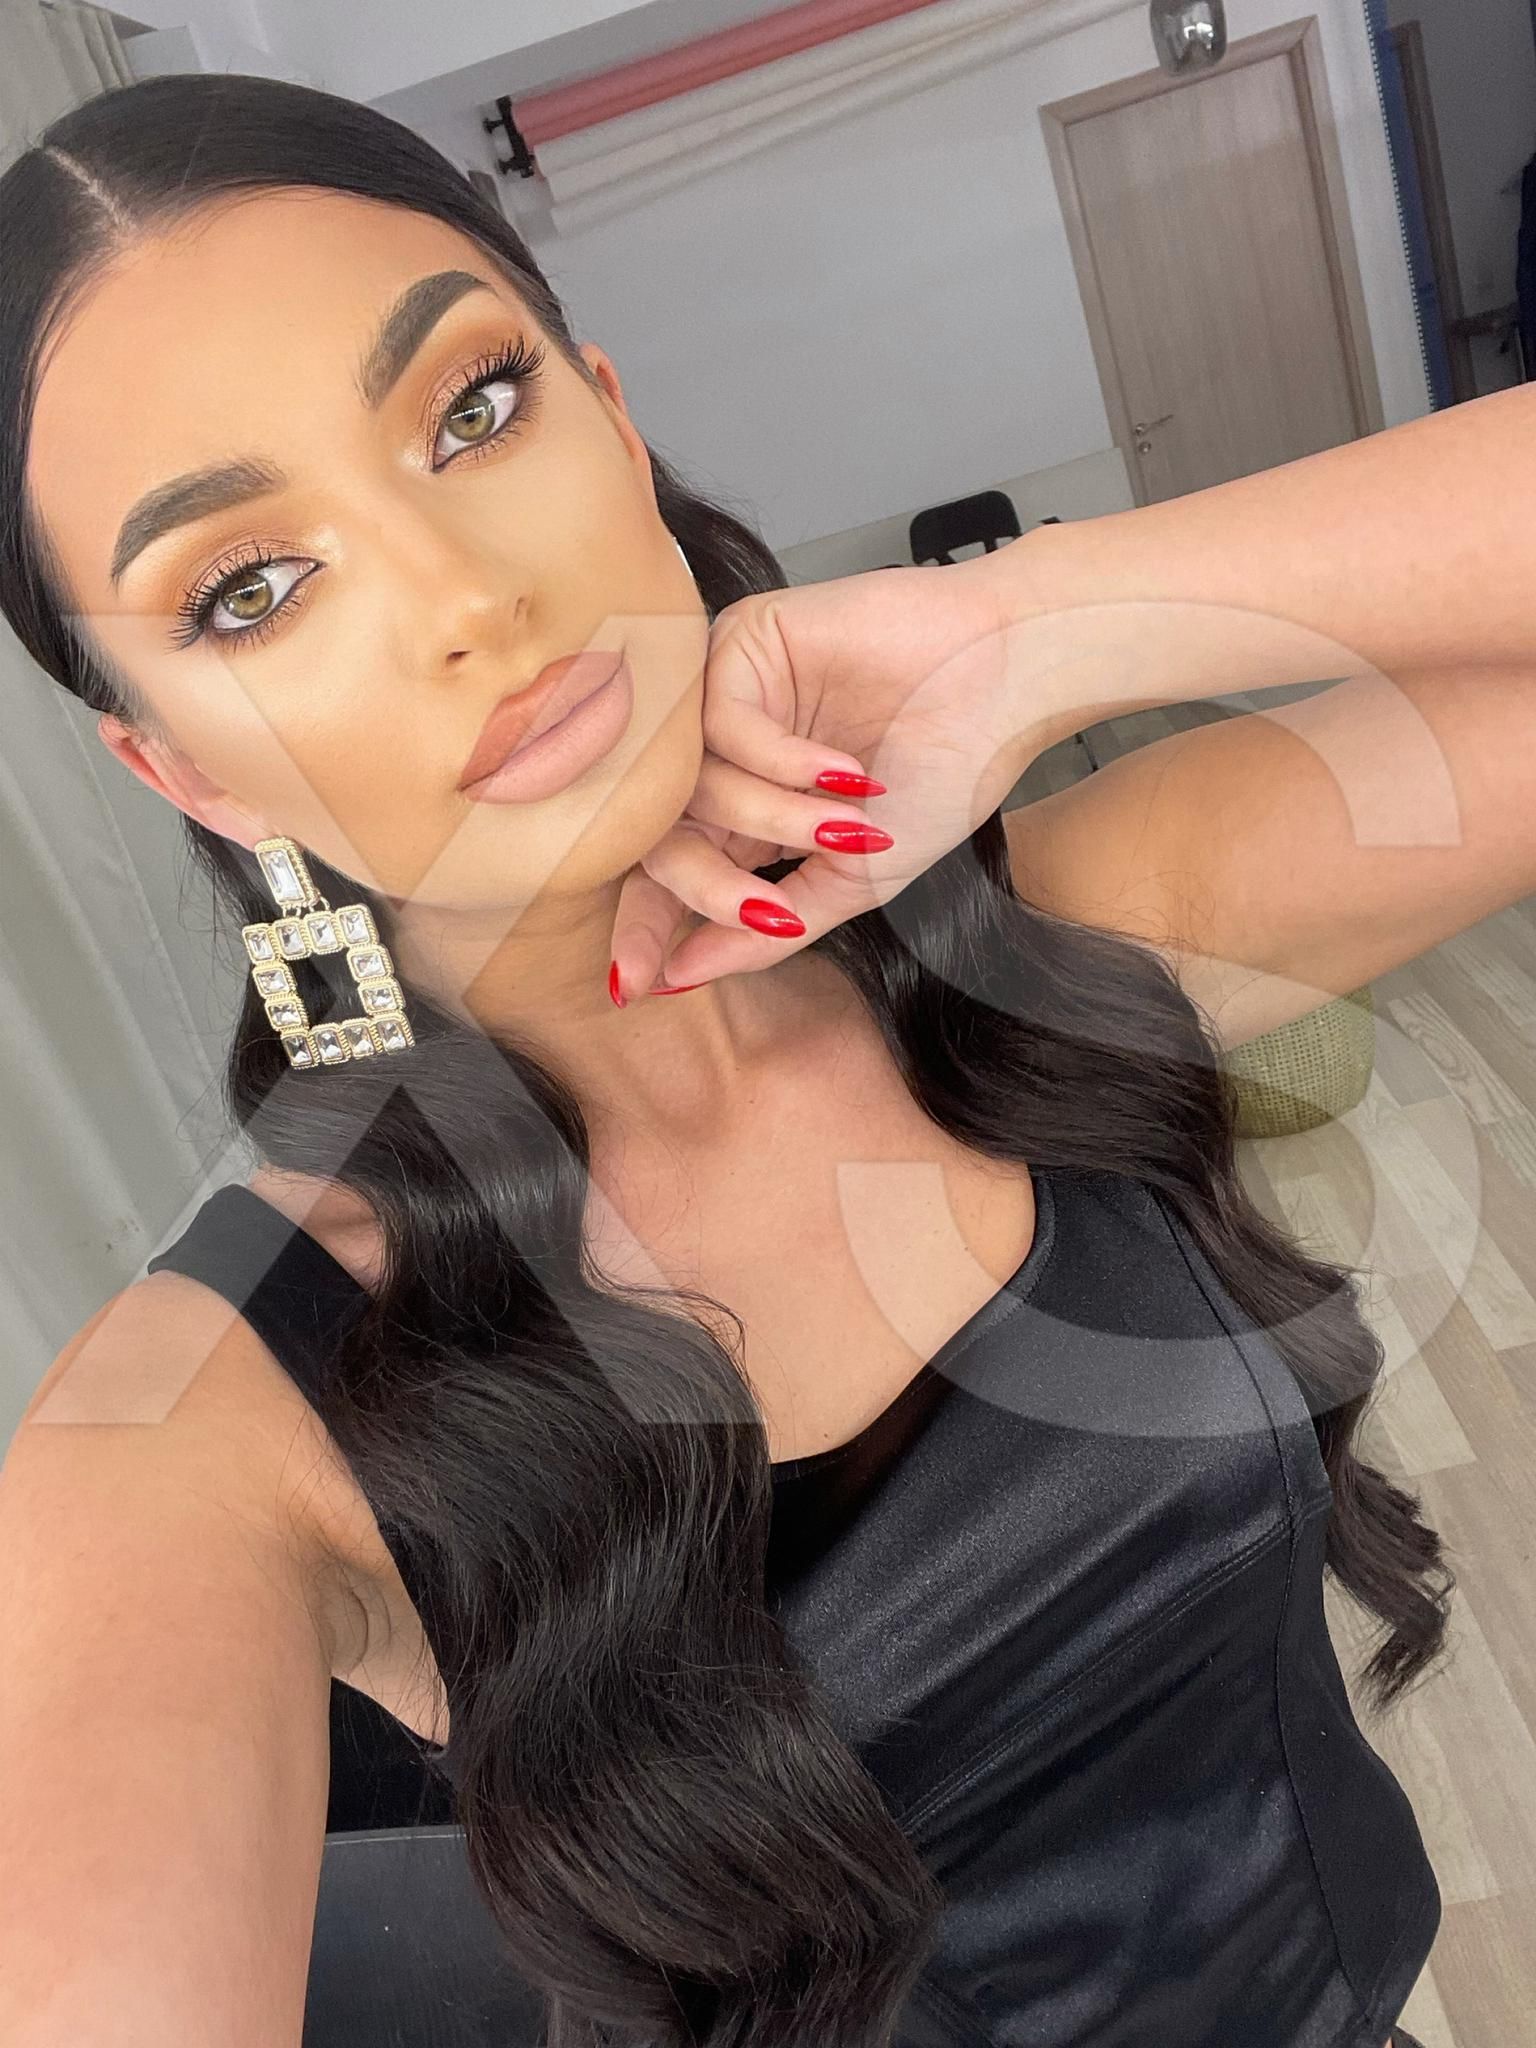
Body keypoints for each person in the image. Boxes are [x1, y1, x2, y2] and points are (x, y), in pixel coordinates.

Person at [3, 70, 1530, 2048]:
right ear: (186, 773)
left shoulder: (1047, 947)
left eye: (475, 411)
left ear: (613, 418)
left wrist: (1031, 622)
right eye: (250, 588)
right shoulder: (195, 1445)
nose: (468, 596)